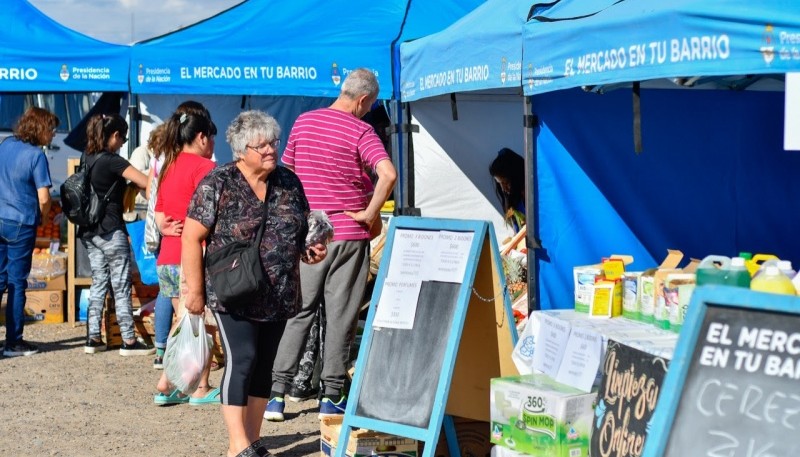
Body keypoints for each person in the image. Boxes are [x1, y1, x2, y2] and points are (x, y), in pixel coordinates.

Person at [181, 110, 327, 456]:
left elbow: (301, 232)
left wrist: (312, 250)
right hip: (234, 291)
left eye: (273, 142)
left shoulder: (289, 182)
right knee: (242, 358)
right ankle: (237, 445)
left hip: (279, 292)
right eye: (260, 145)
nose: (270, 150)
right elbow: (191, 237)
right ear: (241, 149)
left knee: (265, 366)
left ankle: (252, 438)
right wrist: (195, 290)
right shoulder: (219, 183)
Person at [268, 68, 397, 420]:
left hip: (310, 234)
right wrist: (370, 214)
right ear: (363, 100)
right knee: (341, 317)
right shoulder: (361, 130)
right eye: (369, 105)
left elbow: (288, 176)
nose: (369, 111)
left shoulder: (304, 122)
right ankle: (331, 395)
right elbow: (388, 174)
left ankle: (276, 394)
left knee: (299, 311)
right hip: (348, 234)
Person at [152, 103, 220, 406]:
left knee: (192, 323)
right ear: (203, 137)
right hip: (191, 257)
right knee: (188, 323)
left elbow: (161, 211)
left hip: (167, 256)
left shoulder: (168, 164)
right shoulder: (205, 168)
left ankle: (194, 384)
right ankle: (171, 383)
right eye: (212, 139)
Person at [79, 113, 153, 356]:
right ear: (113, 135)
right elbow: (145, 182)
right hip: (111, 229)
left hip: (90, 230)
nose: (123, 143)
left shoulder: (86, 156)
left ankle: (92, 338)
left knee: (99, 281)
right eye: (122, 137)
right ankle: (128, 341)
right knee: (121, 284)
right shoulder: (113, 161)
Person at [0, 107, 59, 356]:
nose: (54, 135)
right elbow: (44, 198)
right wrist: (43, 216)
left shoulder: (5, 144)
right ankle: (14, 341)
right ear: (42, 129)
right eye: (52, 130)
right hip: (21, 221)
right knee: (16, 282)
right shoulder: (36, 156)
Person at [489, 148, 526, 232]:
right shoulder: (515, 200)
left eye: (506, 182)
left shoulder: (535, 198)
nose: (503, 188)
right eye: (500, 184)